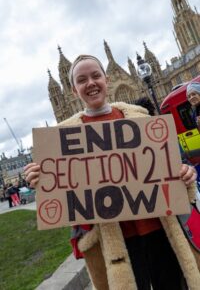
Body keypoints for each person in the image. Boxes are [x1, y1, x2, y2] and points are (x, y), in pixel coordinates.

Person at [24, 55, 200, 290]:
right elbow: (66, 193)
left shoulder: (141, 118)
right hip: (118, 242)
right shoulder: (62, 139)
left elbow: (175, 163)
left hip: (162, 231)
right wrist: (43, 178)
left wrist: (187, 175)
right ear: (73, 91)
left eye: (96, 76)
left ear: (106, 79)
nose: (91, 83)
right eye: (82, 79)